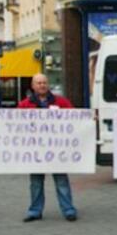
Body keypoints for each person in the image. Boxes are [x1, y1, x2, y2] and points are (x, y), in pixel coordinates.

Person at [18, 73, 78, 222]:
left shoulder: (61, 102)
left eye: (44, 82)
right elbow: (12, 125)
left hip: (57, 150)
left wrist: (89, 120)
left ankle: (68, 210)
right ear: (33, 86)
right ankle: (35, 211)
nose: (42, 85)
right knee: (36, 182)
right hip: (35, 150)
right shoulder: (24, 105)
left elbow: (76, 118)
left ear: (48, 84)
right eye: (38, 83)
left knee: (61, 181)